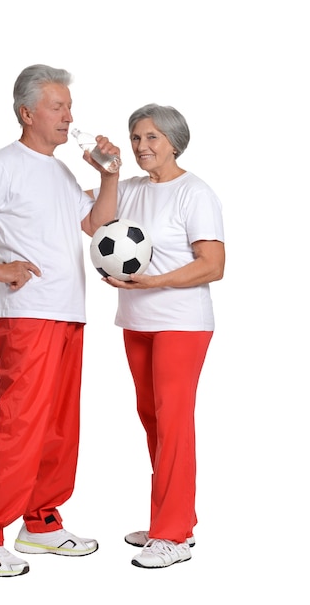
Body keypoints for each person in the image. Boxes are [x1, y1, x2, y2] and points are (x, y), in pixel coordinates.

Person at [0, 64, 120, 578]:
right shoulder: (4, 164)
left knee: (60, 427)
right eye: (58, 107)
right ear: (27, 112)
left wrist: (108, 175)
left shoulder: (60, 171)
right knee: (19, 425)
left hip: (68, 312)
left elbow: (96, 224)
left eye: (69, 106)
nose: (69, 116)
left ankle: (40, 524)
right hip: (28, 315)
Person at [89, 103, 225, 569]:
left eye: (151, 138)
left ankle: (171, 535)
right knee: (152, 418)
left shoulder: (195, 192)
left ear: (173, 141)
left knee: (173, 423)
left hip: (181, 322)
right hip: (138, 321)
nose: (141, 147)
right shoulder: (129, 190)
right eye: (136, 138)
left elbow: (214, 265)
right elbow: (93, 225)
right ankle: (174, 519)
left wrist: (156, 281)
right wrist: (108, 175)